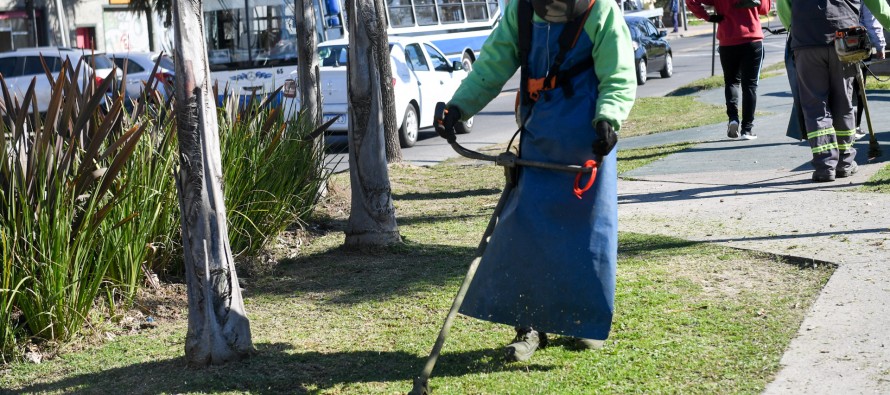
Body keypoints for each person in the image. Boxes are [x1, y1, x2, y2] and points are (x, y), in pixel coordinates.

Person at [436, 0, 636, 362]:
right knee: (526, 231)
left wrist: (609, 116)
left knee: (588, 235)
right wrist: (459, 106)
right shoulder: (521, 10)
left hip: (588, 142)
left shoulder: (601, 10)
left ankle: (581, 322)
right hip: (539, 135)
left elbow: (618, 72)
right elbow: (493, 64)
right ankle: (528, 327)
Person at [777, 0, 890, 182]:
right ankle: (845, 162)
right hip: (845, 39)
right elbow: (879, 7)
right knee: (843, 102)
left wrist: (798, 26)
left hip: (807, 42)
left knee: (815, 107)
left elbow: (783, 7)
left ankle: (824, 166)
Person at [686, 0, 771, 140]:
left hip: (727, 41)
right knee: (750, 85)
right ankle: (747, 129)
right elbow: (764, 9)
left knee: (731, 82)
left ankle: (733, 118)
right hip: (751, 39)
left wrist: (707, 16)